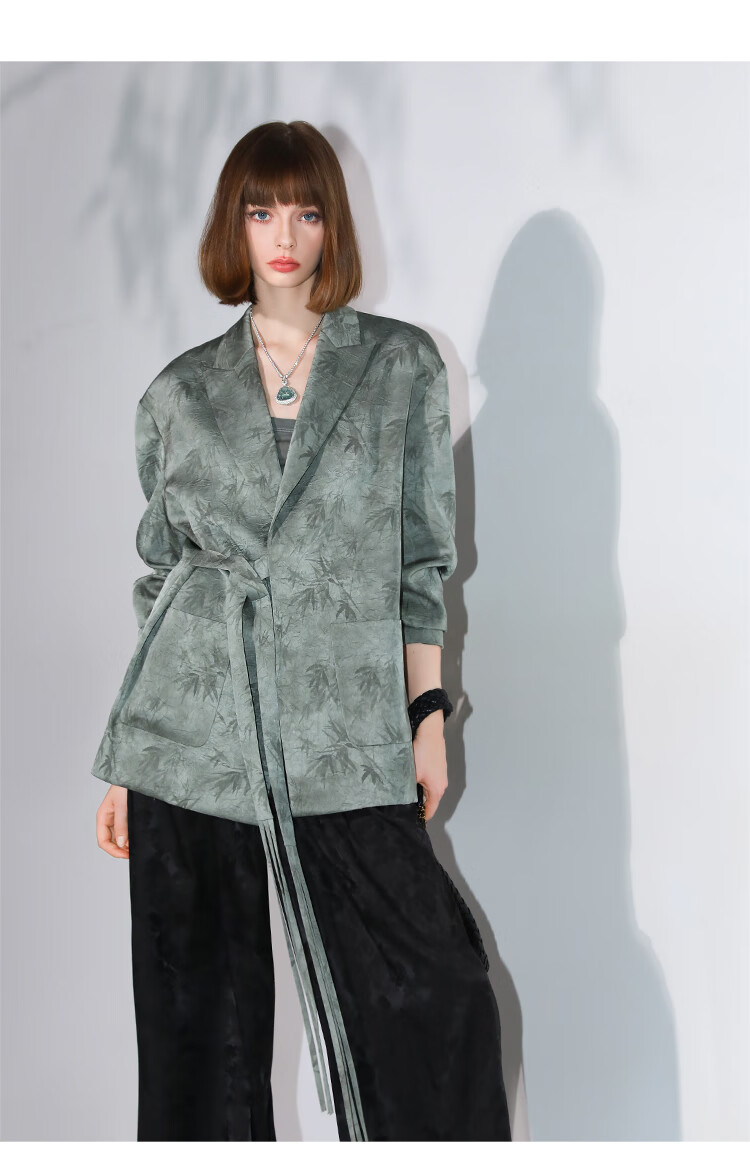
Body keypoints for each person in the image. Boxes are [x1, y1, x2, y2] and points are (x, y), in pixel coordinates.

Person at [92, 119, 512, 1142]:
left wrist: (426, 714)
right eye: (261, 210)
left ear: (334, 225)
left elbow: (420, 561)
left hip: (342, 729)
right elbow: (163, 580)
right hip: (195, 733)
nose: (284, 235)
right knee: (199, 1034)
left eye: (308, 211)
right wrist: (130, 761)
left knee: (438, 992)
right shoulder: (180, 393)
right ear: (233, 225)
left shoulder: (400, 367)